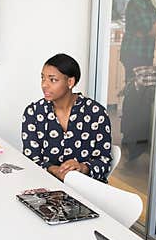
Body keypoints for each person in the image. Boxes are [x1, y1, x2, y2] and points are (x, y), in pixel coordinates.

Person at [21, 53, 113, 183]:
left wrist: (82, 168)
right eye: (43, 78)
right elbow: (31, 160)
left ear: (70, 82)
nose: (44, 85)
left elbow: (104, 161)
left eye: (52, 80)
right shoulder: (34, 113)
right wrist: (55, 170)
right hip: (46, 186)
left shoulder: (96, 113)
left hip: (87, 189)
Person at [119, 0, 156, 160]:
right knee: (135, 96)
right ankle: (132, 139)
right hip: (135, 55)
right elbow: (151, 29)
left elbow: (153, 28)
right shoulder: (136, 3)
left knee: (139, 96)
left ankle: (134, 140)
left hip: (143, 53)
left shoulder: (147, 3)